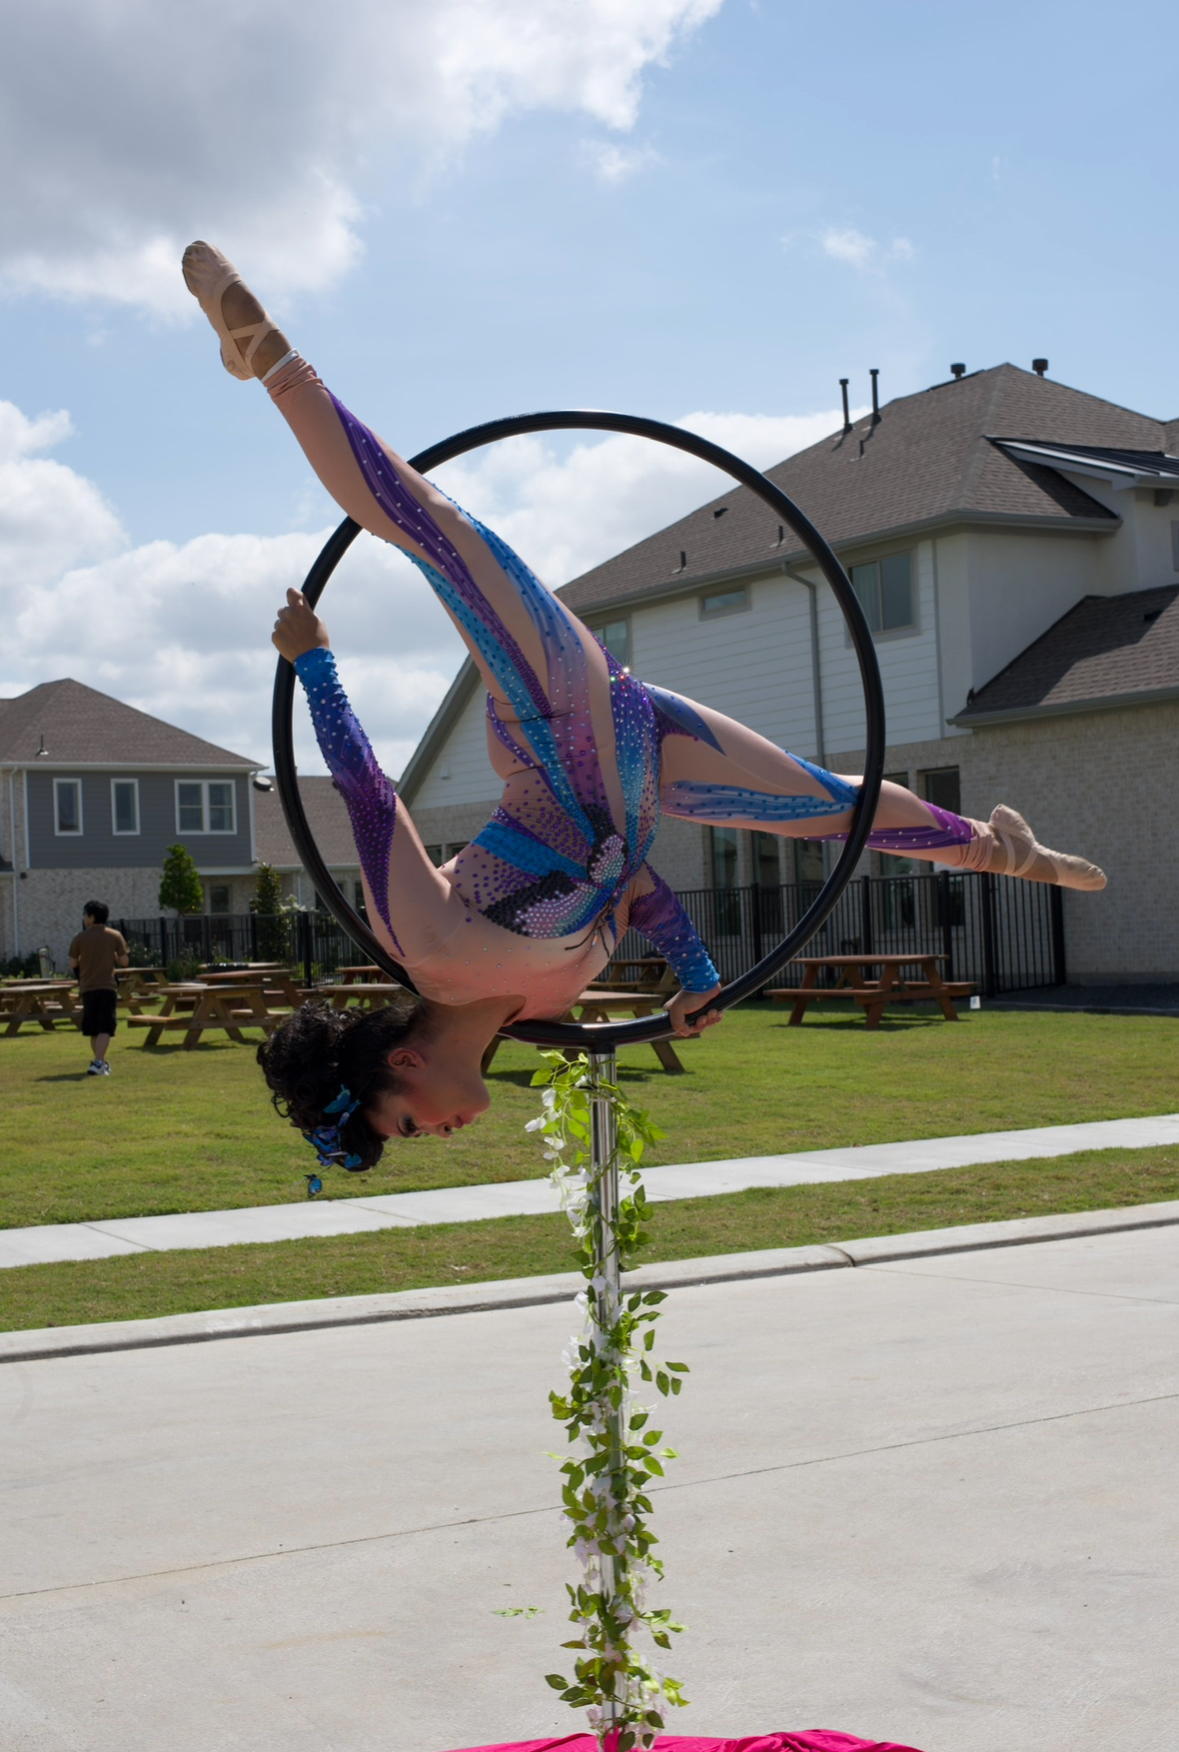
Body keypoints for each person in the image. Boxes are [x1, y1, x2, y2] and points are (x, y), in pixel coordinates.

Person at [181, 242, 1106, 1172]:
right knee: (834, 806)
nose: (439, 1133)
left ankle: (272, 358)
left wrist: (316, 666)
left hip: (559, 722)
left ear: (402, 1060)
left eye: (408, 1125)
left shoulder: (426, 946)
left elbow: (371, 798)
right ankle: (999, 851)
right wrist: (696, 977)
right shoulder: (545, 1008)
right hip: (646, 754)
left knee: (440, 534)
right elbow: (630, 887)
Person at [68, 901, 129, 1076]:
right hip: (107, 987)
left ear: (92, 917)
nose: (83, 917)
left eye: (85, 914)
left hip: (87, 987)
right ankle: (99, 1062)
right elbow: (125, 962)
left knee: (93, 1028)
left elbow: (73, 963)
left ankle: (99, 1062)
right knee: (105, 1027)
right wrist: (114, 956)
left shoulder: (79, 937)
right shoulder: (115, 935)